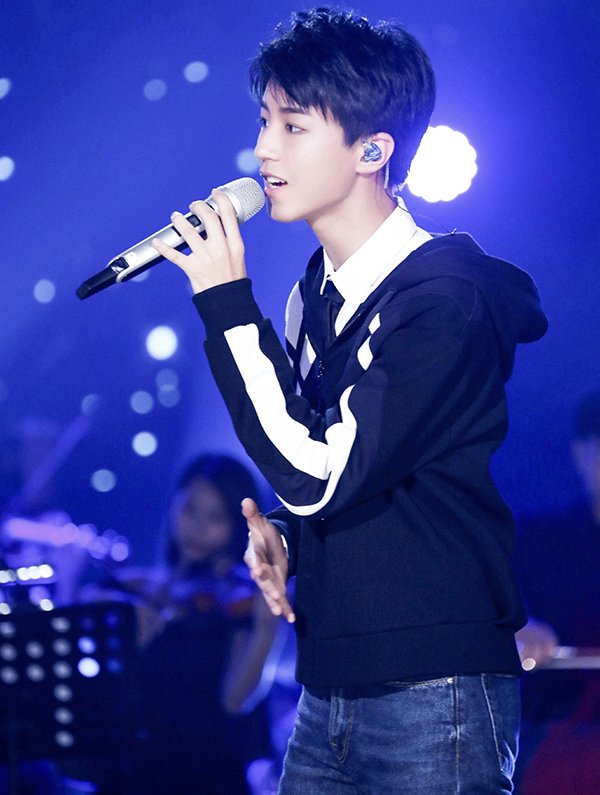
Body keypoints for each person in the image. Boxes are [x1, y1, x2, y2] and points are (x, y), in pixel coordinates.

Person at [151, 8, 548, 792]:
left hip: (435, 688)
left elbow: (322, 471)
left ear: (372, 150)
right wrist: (289, 538)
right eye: (265, 120)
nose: (265, 150)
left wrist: (227, 305)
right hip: (330, 681)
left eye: (294, 126)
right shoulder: (313, 294)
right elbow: (350, 468)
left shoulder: (442, 301)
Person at [108, 453, 280, 794]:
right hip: (131, 772)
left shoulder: (238, 605)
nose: (198, 528)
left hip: (206, 777)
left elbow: (235, 700)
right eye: (189, 510)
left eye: (216, 517)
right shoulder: (134, 588)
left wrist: (266, 625)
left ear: (238, 526)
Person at [513, 390, 600, 791]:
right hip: (552, 733)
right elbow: (488, 603)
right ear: (582, 453)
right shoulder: (537, 537)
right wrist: (519, 624)